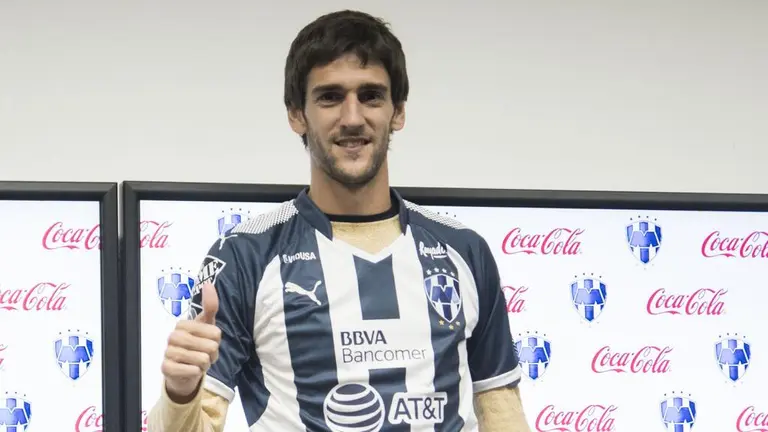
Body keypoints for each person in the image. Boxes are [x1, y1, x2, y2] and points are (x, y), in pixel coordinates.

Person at [147, 9, 530, 432]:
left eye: (371, 96)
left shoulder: (464, 250)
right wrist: (180, 391)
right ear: (297, 115)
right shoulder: (244, 256)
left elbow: (503, 413)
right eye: (330, 97)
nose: (352, 117)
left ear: (397, 112)